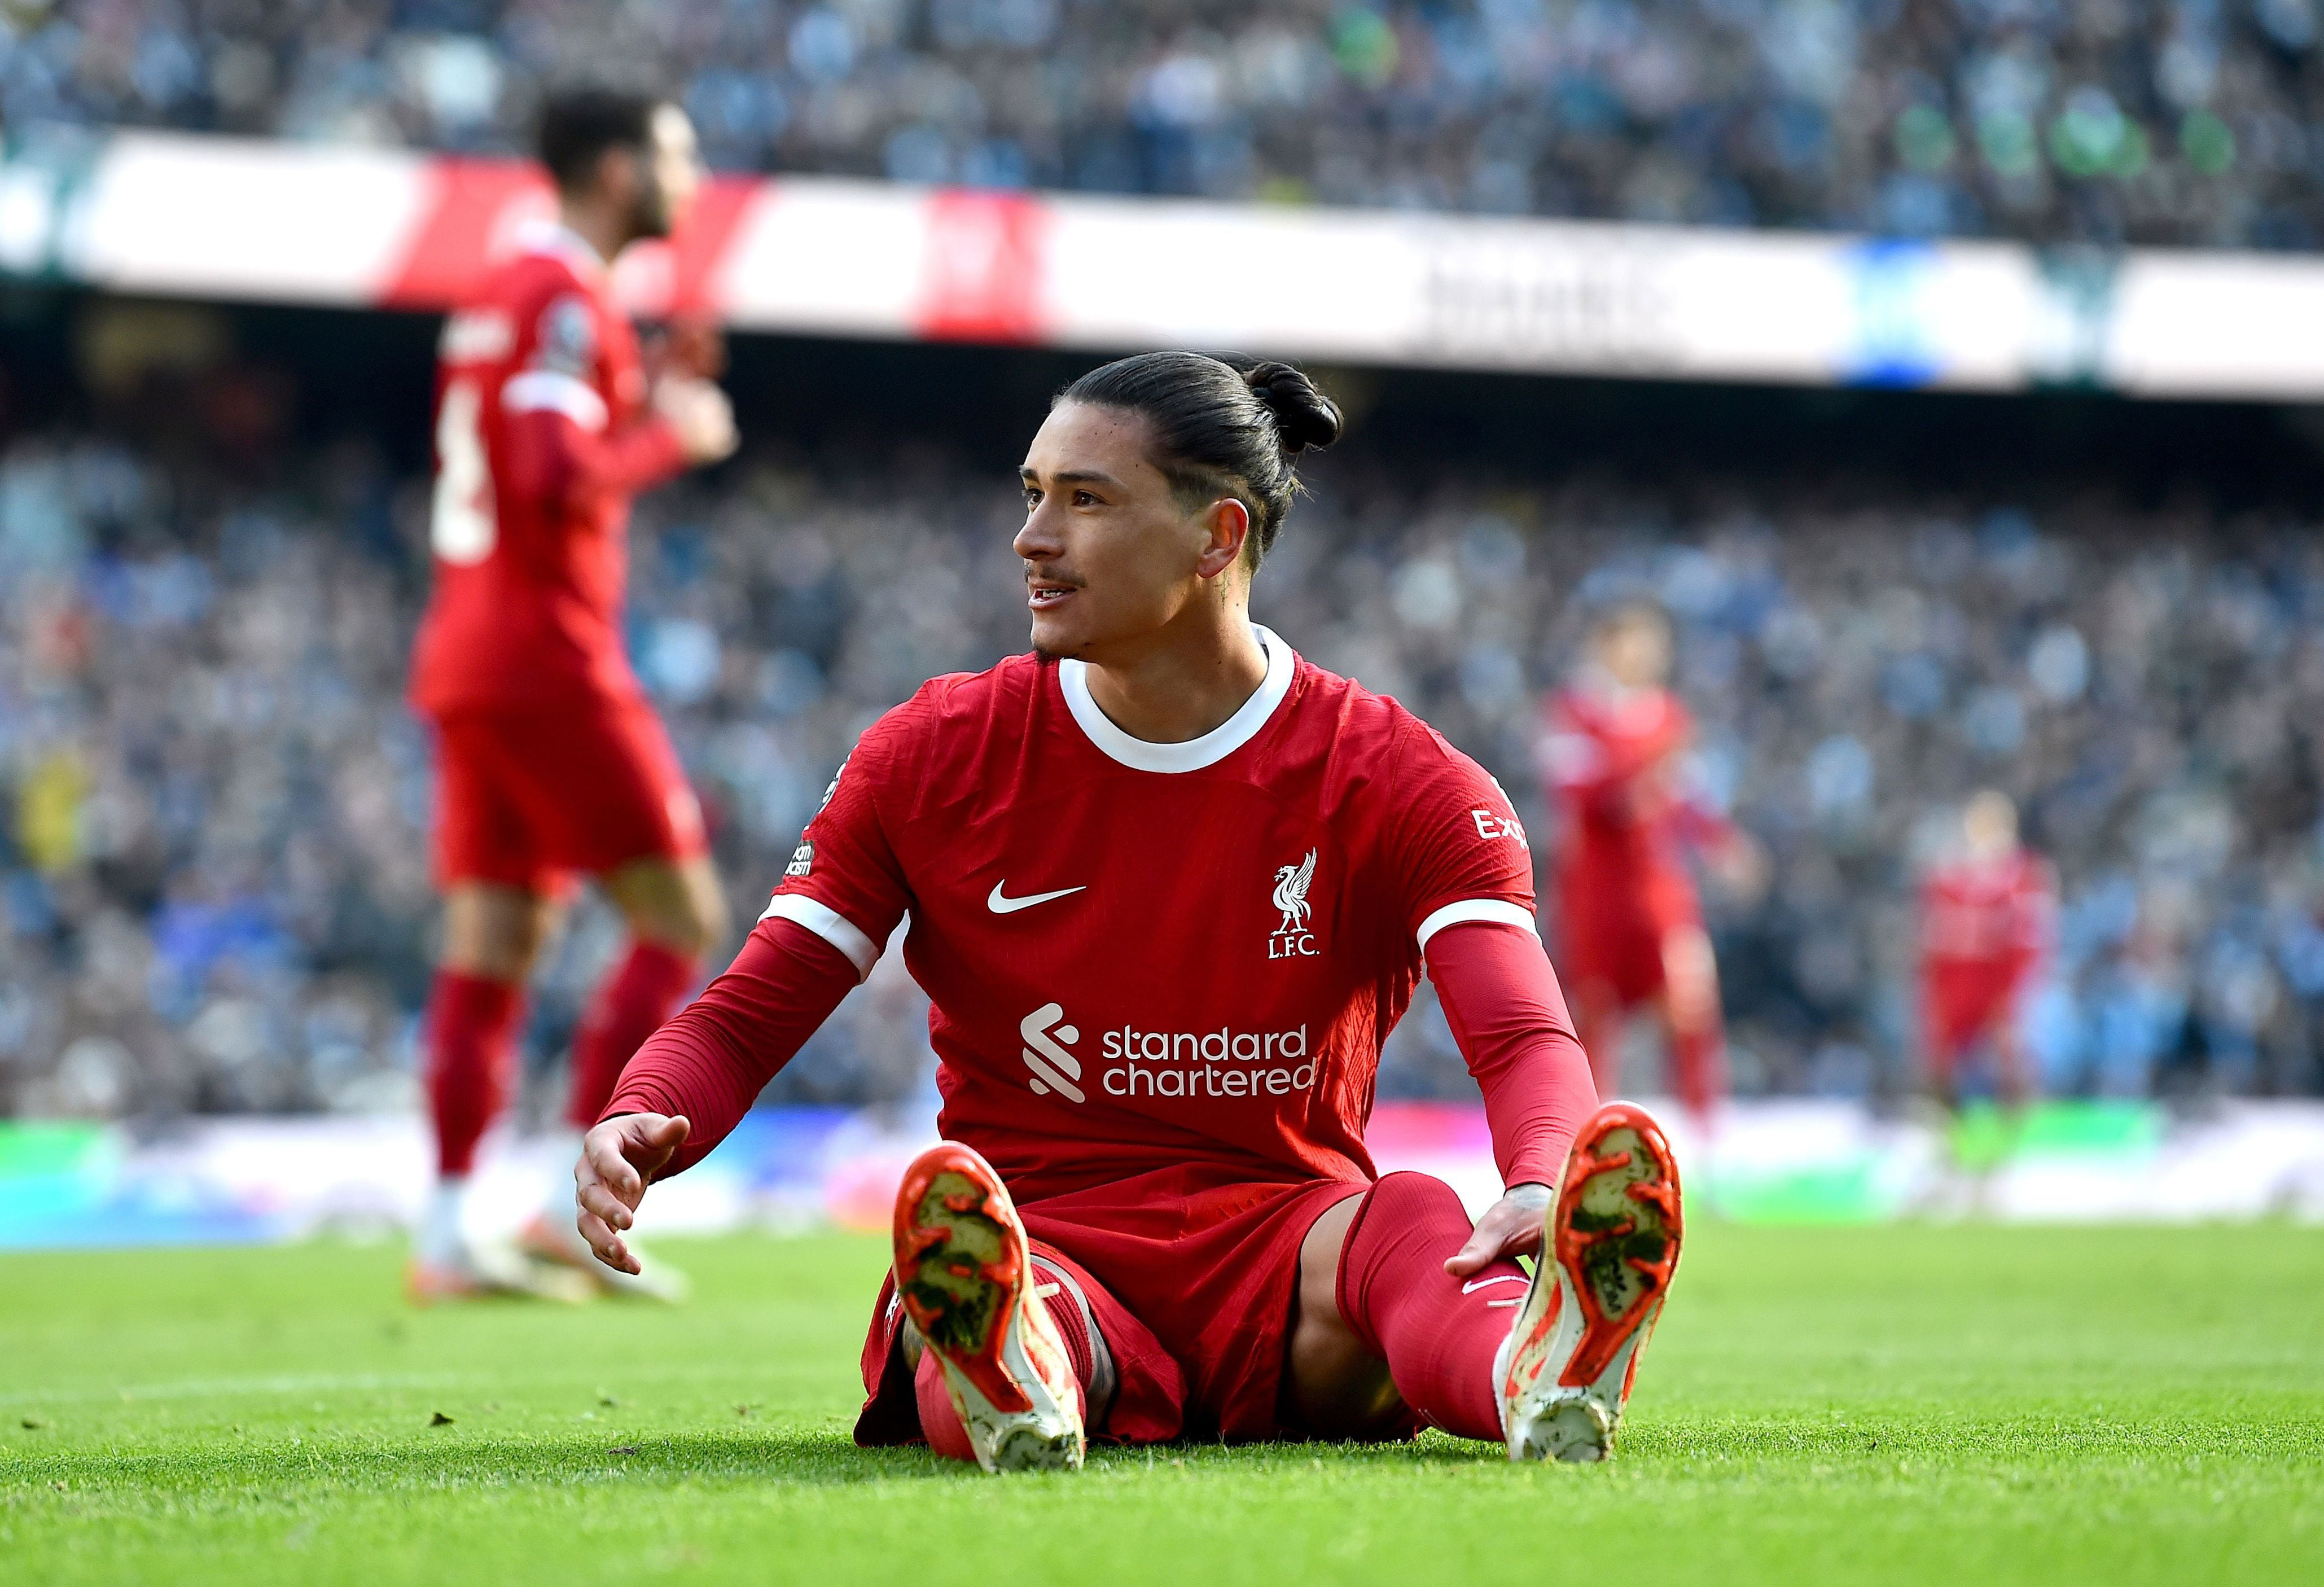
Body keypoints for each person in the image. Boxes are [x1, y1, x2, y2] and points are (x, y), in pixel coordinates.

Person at [572, 351, 1684, 1470]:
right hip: (1039, 1231)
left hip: (1288, 1245)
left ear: (1217, 538)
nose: (1033, 537)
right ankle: (1021, 1374)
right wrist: (646, 1104)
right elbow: (750, 1009)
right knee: (1005, 1297)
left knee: (1413, 1223)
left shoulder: (1401, 780)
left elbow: (1521, 1033)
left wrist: (1540, 1176)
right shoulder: (933, 754)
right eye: (1032, 492)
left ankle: (1531, 1373)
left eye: (1085, 500)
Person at [405, 87, 742, 1303]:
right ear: (615, 171)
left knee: (496, 939)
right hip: (547, 656)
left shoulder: (509, 290)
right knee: (680, 915)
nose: (692, 179)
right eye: (676, 152)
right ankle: (567, 1199)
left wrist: (638, 399)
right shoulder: (558, 294)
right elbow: (552, 477)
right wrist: (676, 432)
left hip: (467, 651)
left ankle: (448, 1229)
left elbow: (529, 451)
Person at [1537, 604, 1758, 1130]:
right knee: (1593, 1018)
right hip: (1595, 893)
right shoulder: (1572, 713)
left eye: (1653, 645)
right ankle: (1581, 1143)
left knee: (1690, 1009)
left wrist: (1723, 846)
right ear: (1605, 648)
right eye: (1634, 643)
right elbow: (1580, 796)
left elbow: (1687, 799)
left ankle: (1705, 1146)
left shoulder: (1667, 716)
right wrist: (1644, 763)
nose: (1646, 655)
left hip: (1661, 893)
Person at [1919, 790, 2055, 1119]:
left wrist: (2021, 983)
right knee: (1943, 1057)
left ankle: (2015, 1126)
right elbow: (1933, 938)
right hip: (1957, 977)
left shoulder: (2023, 875)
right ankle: (1948, 1129)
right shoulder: (1947, 875)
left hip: (1999, 976)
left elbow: (2031, 935)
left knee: (2010, 1054)